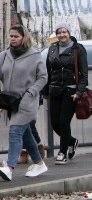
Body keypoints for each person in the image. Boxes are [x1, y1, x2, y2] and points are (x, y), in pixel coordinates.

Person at [0, 25, 49, 180]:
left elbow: (43, 77)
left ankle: (9, 167)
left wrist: (31, 92)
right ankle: (39, 164)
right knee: (26, 135)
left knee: (15, 131)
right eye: (11, 36)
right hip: (10, 102)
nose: (13, 39)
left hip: (27, 102)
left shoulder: (34, 55)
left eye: (16, 36)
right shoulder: (5, 55)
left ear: (24, 37)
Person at [44, 22, 87, 164]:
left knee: (64, 122)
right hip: (55, 89)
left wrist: (79, 92)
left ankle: (62, 153)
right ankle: (72, 141)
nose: (62, 35)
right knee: (55, 123)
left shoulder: (77, 49)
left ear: (69, 33)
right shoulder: (52, 49)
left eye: (64, 32)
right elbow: (48, 72)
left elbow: (83, 73)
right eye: (59, 32)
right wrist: (45, 90)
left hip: (70, 91)